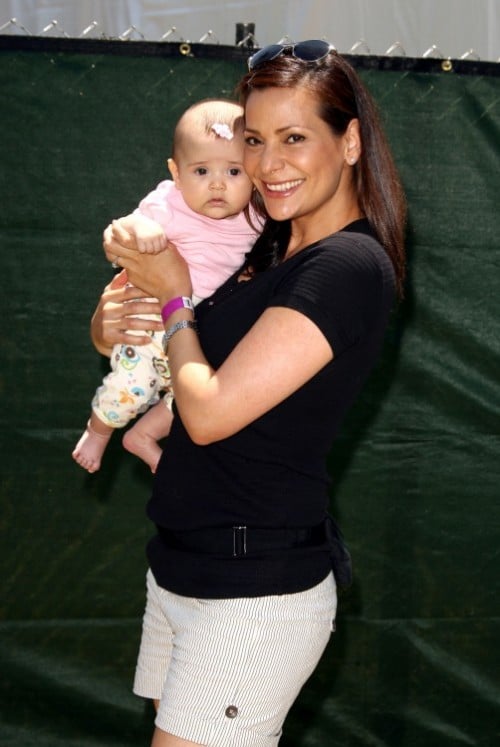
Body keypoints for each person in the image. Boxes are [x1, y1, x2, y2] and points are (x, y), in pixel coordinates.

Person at [92, 40, 406, 747]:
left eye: (294, 138)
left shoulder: (348, 266)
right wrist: (113, 318)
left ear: (350, 140)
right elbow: (163, 350)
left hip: (253, 593)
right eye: (256, 140)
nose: (267, 165)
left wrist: (173, 299)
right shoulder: (260, 245)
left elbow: (207, 413)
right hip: (181, 568)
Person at [73, 98, 260, 474]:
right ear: (176, 173)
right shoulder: (170, 203)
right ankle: (98, 430)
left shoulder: (255, 216)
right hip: (153, 326)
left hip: (197, 338)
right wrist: (142, 230)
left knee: (189, 402)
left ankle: (141, 438)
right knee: (132, 386)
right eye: (202, 170)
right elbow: (123, 228)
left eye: (234, 172)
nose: (218, 184)